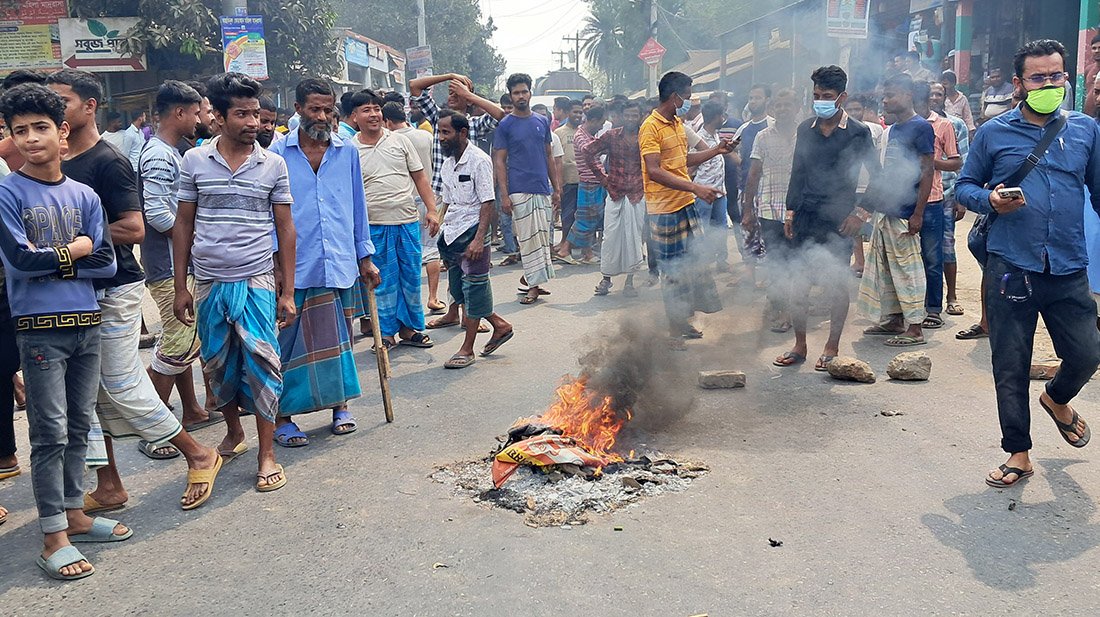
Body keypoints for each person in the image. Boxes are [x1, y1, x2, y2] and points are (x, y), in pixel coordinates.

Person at [47, 69, 222, 512]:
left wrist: (61, 246)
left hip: (116, 287)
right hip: (82, 288)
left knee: (122, 383)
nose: (54, 111)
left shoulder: (108, 161)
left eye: (62, 101)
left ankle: (198, 452)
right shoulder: (59, 163)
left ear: (89, 105)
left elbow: (134, 227)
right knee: (93, 392)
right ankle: (109, 485)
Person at [956, 39, 1100, 488]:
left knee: (1087, 353)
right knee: (1011, 363)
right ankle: (1018, 452)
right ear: (1019, 84)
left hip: (1068, 263)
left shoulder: (1084, 130)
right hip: (1011, 266)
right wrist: (990, 199)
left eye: (1056, 75)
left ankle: (1057, 400)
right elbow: (963, 187)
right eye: (1039, 77)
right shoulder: (993, 133)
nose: (1049, 84)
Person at [0, 82, 124, 580]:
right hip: (38, 329)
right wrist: (73, 252)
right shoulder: (7, 191)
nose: (30, 138)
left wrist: (65, 260)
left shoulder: (86, 194)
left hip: (86, 324)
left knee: (79, 425)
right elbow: (19, 260)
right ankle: (52, 535)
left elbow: (108, 260)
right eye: (19, 130)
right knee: (48, 432)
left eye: (40, 128)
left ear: (62, 131)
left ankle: (74, 512)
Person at [173, 72, 296, 493]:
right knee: (217, 365)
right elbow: (183, 224)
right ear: (219, 118)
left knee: (263, 365)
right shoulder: (194, 162)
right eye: (241, 114)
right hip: (208, 282)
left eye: (255, 113)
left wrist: (288, 291)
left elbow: (285, 229)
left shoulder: (273, 164)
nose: (252, 121)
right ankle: (233, 433)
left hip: (257, 279)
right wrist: (179, 286)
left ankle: (267, 454)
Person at [268, 78, 379, 448]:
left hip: (338, 262)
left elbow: (357, 206)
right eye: (314, 108)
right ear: (297, 109)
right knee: (286, 343)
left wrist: (365, 255)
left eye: (327, 109)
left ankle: (339, 406)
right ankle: (283, 417)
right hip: (294, 266)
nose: (321, 116)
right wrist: (275, 263)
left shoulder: (346, 152)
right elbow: (269, 213)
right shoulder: (276, 154)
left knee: (339, 339)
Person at [776, 65, 878, 370]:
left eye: (827, 96)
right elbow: (798, 171)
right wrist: (790, 211)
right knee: (799, 283)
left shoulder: (859, 133)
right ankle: (800, 345)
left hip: (838, 220)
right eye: (816, 95)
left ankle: (832, 346)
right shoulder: (804, 128)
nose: (820, 100)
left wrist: (860, 214)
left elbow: (879, 177)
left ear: (842, 97)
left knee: (836, 284)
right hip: (805, 214)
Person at [138, 81, 215, 436]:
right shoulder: (158, 155)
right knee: (178, 341)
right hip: (170, 266)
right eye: (196, 112)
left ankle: (193, 411)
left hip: (176, 262)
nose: (200, 118)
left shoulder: (170, 152)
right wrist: (192, 241)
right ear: (180, 113)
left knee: (186, 339)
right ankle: (154, 428)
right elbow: (156, 212)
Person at [639, 71, 730, 346]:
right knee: (673, 270)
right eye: (688, 97)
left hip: (684, 204)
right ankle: (674, 327)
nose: (690, 103)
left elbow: (683, 159)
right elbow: (653, 171)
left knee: (692, 265)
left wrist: (716, 150)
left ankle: (683, 319)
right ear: (674, 96)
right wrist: (696, 188)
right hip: (664, 209)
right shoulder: (650, 127)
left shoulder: (678, 123)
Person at [351, 89, 439, 350]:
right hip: (373, 226)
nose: (374, 114)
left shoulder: (400, 142)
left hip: (406, 220)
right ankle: (385, 334)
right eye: (366, 110)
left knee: (410, 278)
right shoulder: (349, 148)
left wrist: (432, 210)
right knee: (382, 283)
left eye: (376, 109)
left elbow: (420, 177)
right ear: (354, 116)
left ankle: (410, 330)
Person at [857, 73, 934, 348]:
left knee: (908, 269)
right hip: (886, 209)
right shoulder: (891, 130)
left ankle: (915, 327)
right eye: (884, 96)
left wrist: (918, 213)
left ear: (908, 95)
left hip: (905, 211)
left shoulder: (921, 127)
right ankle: (894, 319)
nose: (886, 100)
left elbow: (927, 171)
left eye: (891, 95)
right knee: (886, 267)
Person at [434, 110, 514, 369]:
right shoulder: (447, 164)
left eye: (446, 132)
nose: (441, 137)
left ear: (462, 133)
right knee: (459, 291)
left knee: (474, 288)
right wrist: (437, 218)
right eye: (440, 132)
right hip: (452, 234)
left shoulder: (479, 160)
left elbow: (487, 202)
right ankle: (500, 325)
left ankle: (467, 349)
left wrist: (479, 239)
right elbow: (447, 199)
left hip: (472, 232)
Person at [494, 73, 560, 305]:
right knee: (528, 239)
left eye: (524, 91)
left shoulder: (542, 121)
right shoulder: (505, 125)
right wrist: (504, 194)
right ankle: (533, 285)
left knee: (542, 238)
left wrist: (557, 189)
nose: (520, 96)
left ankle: (532, 278)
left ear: (530, 93)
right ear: (511, 96)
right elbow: (500, 160)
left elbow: (549, 155)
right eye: (516, 93)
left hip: (542, 187)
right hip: (519, 188)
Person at [742, 88, 799, 332]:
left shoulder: (807, 134)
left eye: (788, 105)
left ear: (797, 108)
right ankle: (780, 308)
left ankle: (789, 308)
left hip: (798, 210)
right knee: (776, 261)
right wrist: (747, 211)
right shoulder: (762, 137)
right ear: (772, 109)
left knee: (796, 261)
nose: (783, 109)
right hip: (769, 209)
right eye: (779, 105)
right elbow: (753, 174)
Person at [382, 100, 445, 316]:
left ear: (387, 121)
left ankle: (410, 302)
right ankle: (433, 297)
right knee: (431, 248)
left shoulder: (390, 140)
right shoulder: (425, 136)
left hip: (404, 202)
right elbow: (434, 166)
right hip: (429, 198)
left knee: (408, 254)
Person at [912, 79, 961, 332]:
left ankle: (933, 309)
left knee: (933, 257)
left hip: (932, 199)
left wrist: (930, 163)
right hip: (903, 201)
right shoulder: (900, 126)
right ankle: (907, 308)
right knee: (907, 258)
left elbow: (956, 162)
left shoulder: (943, 125)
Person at [585, 99, 646, 297]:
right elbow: (588, 151)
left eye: (634, 115)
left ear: (640, 117)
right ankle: (606, 279)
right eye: (627, 115)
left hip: (637, 194)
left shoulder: (646, 137)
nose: (630, 119)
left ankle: (629, 282)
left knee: (634, 239)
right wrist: (602, 177)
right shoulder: (611, 136)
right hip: (615, 193)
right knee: (610, 238)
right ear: (621, 116)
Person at [929, 81, 970, 318]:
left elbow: (963, 162)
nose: (934, 97)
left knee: (947, 246)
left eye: (939, 94)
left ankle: (951, 296)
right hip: (921, 196)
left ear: (945, 97)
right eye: (931, 93)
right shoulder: (919, 124)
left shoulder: (955, 125)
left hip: (945, 195)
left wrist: (960, 197)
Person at [555, 104, 606, 265]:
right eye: (601, 122)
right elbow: (587, 150)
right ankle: (565, 249)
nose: (602, 126)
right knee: (585, 220)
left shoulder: (588, 134)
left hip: (594, 181)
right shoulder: (581, 136)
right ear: (594, 120)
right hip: (589, 181)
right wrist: (608, 141)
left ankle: (588, 253)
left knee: (590, 218)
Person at [693, 101, 731, 270]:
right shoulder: (698, 139)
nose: (724, 118)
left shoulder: (716, 135)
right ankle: (702, 263)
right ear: (715, 117)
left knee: (721, 228)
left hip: (720, 192)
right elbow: (691, 167)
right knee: (702, 229)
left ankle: (721, 261)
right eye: (722, 115)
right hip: (704, 193)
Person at [552, 99, 582, 257]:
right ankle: (564, 243)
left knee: (581, 216)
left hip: (582, 181)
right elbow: (557, 160)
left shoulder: (583, 132)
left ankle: (570, 244)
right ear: (568, 112)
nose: (577, 115)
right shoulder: (559, 133)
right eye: (575, 112)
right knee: (567, 215)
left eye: (580, 112)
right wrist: (558, 184)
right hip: (567, 181)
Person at [940, 70, 975, 136]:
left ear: (953, 83)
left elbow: (967, 116)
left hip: (960, 130)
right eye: (942, 84)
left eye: (946, 84)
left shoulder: (962, 98)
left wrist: (971, 131)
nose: (944, 87)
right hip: (944, 130)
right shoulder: (941, 98)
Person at [1083, 33, 1100, 118]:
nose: (1097, 51)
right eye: (1094, 48)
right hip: (1088, 118)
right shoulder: (1088, 69)